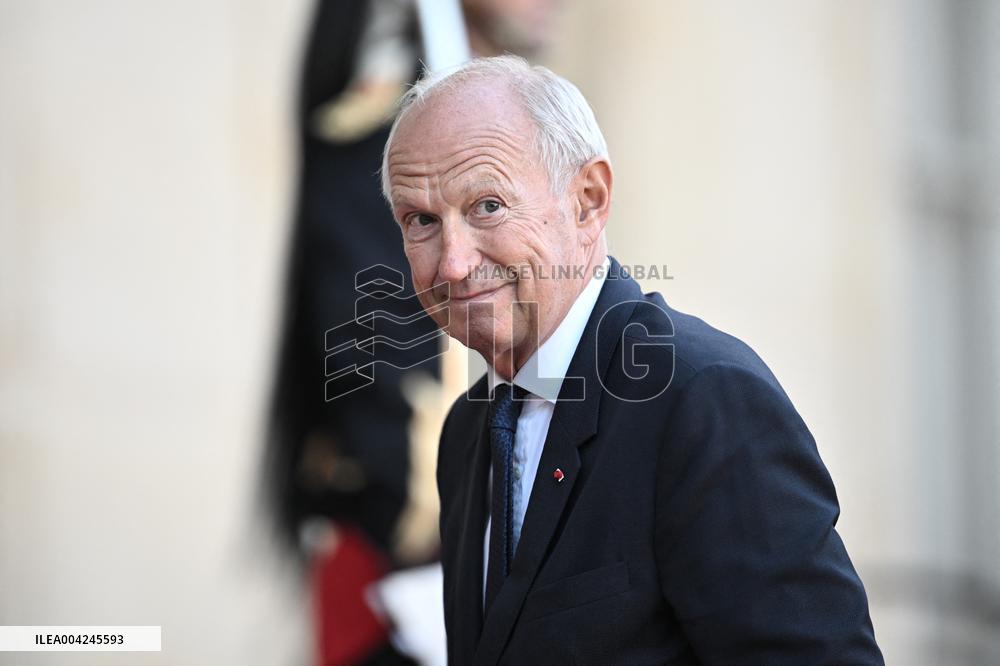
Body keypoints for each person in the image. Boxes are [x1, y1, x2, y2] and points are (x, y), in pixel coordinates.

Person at [380, 55, 883, 664]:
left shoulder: (702, 397)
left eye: (488, 205)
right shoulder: (468, 429)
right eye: (422, 221)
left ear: (588, 202)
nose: (454, 263)